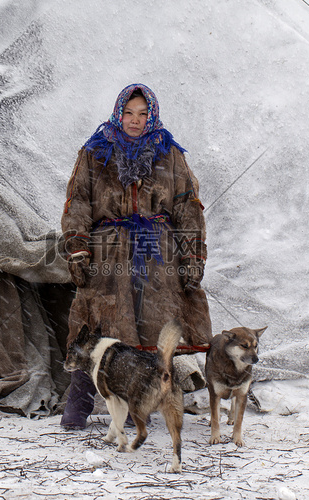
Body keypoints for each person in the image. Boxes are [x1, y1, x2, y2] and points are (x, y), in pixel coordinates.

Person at [60, 83, 212, 429]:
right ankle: (79, 402)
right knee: (96, 323)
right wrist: (78, 248)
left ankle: (132, 405)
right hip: (108, 251)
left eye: (143, 114)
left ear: (151, 116)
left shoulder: (169, 154)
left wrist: (192, 256)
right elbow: (78, 201)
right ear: (118, 113)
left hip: (157, 255)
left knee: (150, 328)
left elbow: (188, 207)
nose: (135, 121)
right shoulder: (94, 153)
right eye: (129, 113)